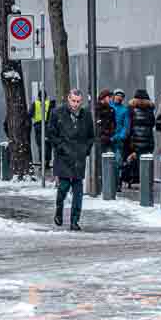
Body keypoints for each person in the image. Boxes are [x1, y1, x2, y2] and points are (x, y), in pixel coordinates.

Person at [49, 89, 94, 230]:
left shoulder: (86, 115)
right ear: (68, 99)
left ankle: (75, 221)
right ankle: (59, 210)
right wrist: (60, 147)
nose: (75, 104)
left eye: (78, 101)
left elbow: (91, 135)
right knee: (63, 187)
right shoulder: (57, 113)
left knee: (78, 191)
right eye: (73, 101)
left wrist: (85, 150)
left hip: (78, 157)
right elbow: (51, 133)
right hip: (63, 157)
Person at [124, 89, 156, 188]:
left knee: (134, 160)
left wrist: (127, 138)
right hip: (148, 140)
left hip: (135, 139)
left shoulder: (131, 108)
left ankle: (133, 179)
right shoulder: (150, 109)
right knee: (146, 160)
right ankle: (146, 180)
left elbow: (129, 125)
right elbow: (152, 123)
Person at [110, 89, 130, 188]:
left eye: (121, 96)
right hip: (108, 138)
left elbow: (126, 126)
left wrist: (120, 136)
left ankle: (117, 183)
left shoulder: (124, 110)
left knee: (118, 162)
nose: (119, 98)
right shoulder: (109, 107)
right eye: (117, 95)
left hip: (118, 141)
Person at [31, 91, 56, 169]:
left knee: (41, 145)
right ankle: (47, 163)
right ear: (46, 96)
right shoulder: (50, 104)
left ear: (38, 97)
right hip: (48, 126)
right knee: (48, 145)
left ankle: (42, 163)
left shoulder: (35, 104)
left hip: (38, 126)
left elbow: (30, 114)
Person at [95, 89, 115, 156]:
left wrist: (111, 135)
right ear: (104, 97)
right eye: (109, 97)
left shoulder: (111, 110)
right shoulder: (95, 109)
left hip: (108, 140)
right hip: (98, 140)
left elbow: (113, 124)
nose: (110, 99)